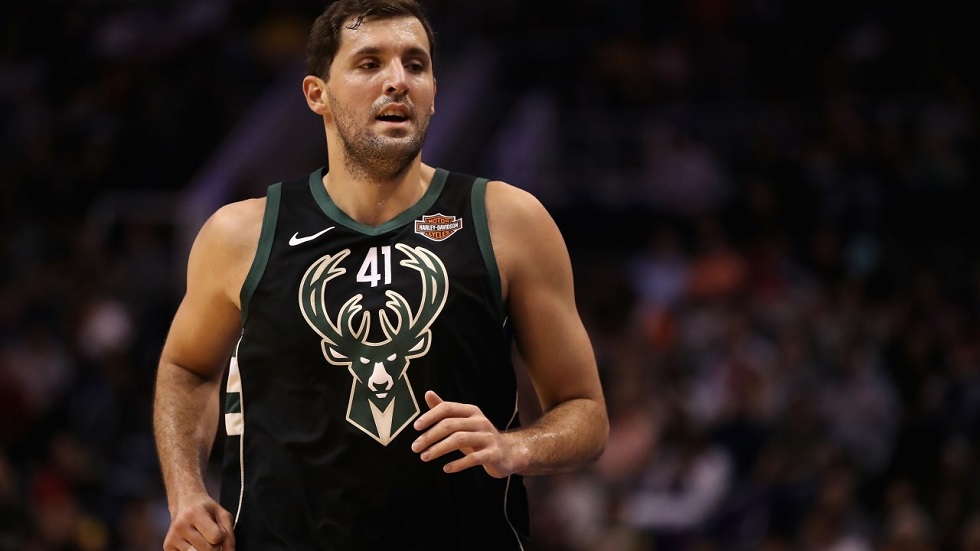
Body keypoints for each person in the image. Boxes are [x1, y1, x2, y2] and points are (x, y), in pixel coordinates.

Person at [152, 0, 608, 549]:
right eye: (370, 64)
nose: (398, 81)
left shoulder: (509, 221)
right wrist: (185, 492)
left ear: (434, 92)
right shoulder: (240, 234)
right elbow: (187, 369)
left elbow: (585, 412)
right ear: (317, 94)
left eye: (415, 65)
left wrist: (516, 447)